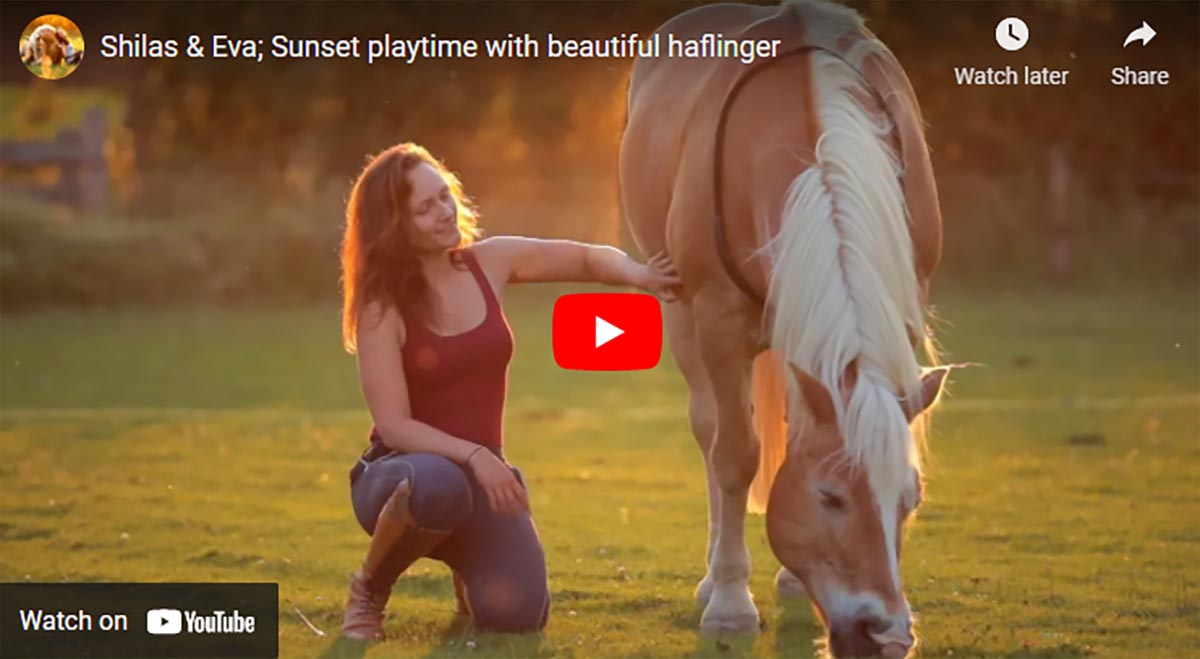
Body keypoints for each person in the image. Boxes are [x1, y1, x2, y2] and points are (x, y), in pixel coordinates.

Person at [338, 142, 680, 641]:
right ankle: (369, 589)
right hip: (400, 476)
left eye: (444, 196)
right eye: (424, 207)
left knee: (517, 616)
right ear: (396, 226)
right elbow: (395, 425)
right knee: (440, 485)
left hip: (480, 479)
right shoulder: (380, 306)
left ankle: (466, 563)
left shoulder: (488, 262)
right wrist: (477, 456)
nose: (443, 212)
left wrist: (639, 275)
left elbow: (585, 259)